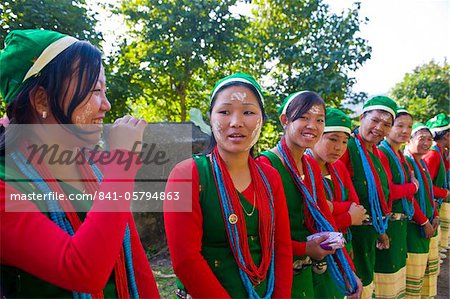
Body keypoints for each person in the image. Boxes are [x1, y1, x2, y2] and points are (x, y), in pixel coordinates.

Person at [0, 29, 160, 297]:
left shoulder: (96, 168)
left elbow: (135, 262)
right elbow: (81, 271)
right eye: (94, 90)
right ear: (41, 99)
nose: (106, 105)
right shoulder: (6, 182)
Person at [164, 73, 293, 298]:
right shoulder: (187, 175)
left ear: (262, 119)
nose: (236, 122)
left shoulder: (270, 178)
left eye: (248, 112)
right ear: (210, 119)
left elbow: (281, 248)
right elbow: (185, 260)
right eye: (224, 112)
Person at [258, 92, 361, 299]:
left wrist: (348, 271)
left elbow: (326, 220)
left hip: (309, 272)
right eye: (304, 117)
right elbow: (263, 235)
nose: (313, 125)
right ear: (285, 121)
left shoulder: (310, 166)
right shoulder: (265, 166)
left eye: (319, 120)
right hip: (280, 275)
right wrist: (304, 248)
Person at [339, 95, 397, 298]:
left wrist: (380, 229)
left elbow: (380, 196)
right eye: (375, 120)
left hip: (369, 235)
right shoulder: (347, 148)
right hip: (352, 237)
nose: (380, 127)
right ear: (362, 117)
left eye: (386, 124)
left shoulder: (376, 153)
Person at [309, 107, 367, 256]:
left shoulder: (338, 167)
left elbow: (356, 206)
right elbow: (313, 219)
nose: (338, 147)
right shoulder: (303, 168)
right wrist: (348, 217)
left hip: (342, 244)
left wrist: (332, 208)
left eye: (344, 141)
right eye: (333, 139)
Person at [375, 108, 420, 298]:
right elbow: (388, 191)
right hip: (388, 225)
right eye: (399, 125)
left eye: (409, 127)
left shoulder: (400, 156)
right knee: (386, 279)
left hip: (400, 225)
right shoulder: (382, 153)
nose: (405, 130)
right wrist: (412, 188)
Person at [404, 123, 440, 298]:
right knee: (412, 275)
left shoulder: (422, 164)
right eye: (421, 139)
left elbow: (429, 192)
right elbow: (409, 199)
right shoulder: (407, 162)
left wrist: (436, 216)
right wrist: (424, 221)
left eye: (429, 139)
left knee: (420, 275)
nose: (426, 143)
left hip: (426, 222)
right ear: (409, 141)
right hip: (414, 226)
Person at [423, 114, 450, 256]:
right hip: (430, 203)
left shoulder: (439, 152)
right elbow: (426, 185)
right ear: (447, 136)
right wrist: (444, 193)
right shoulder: (432, 154)